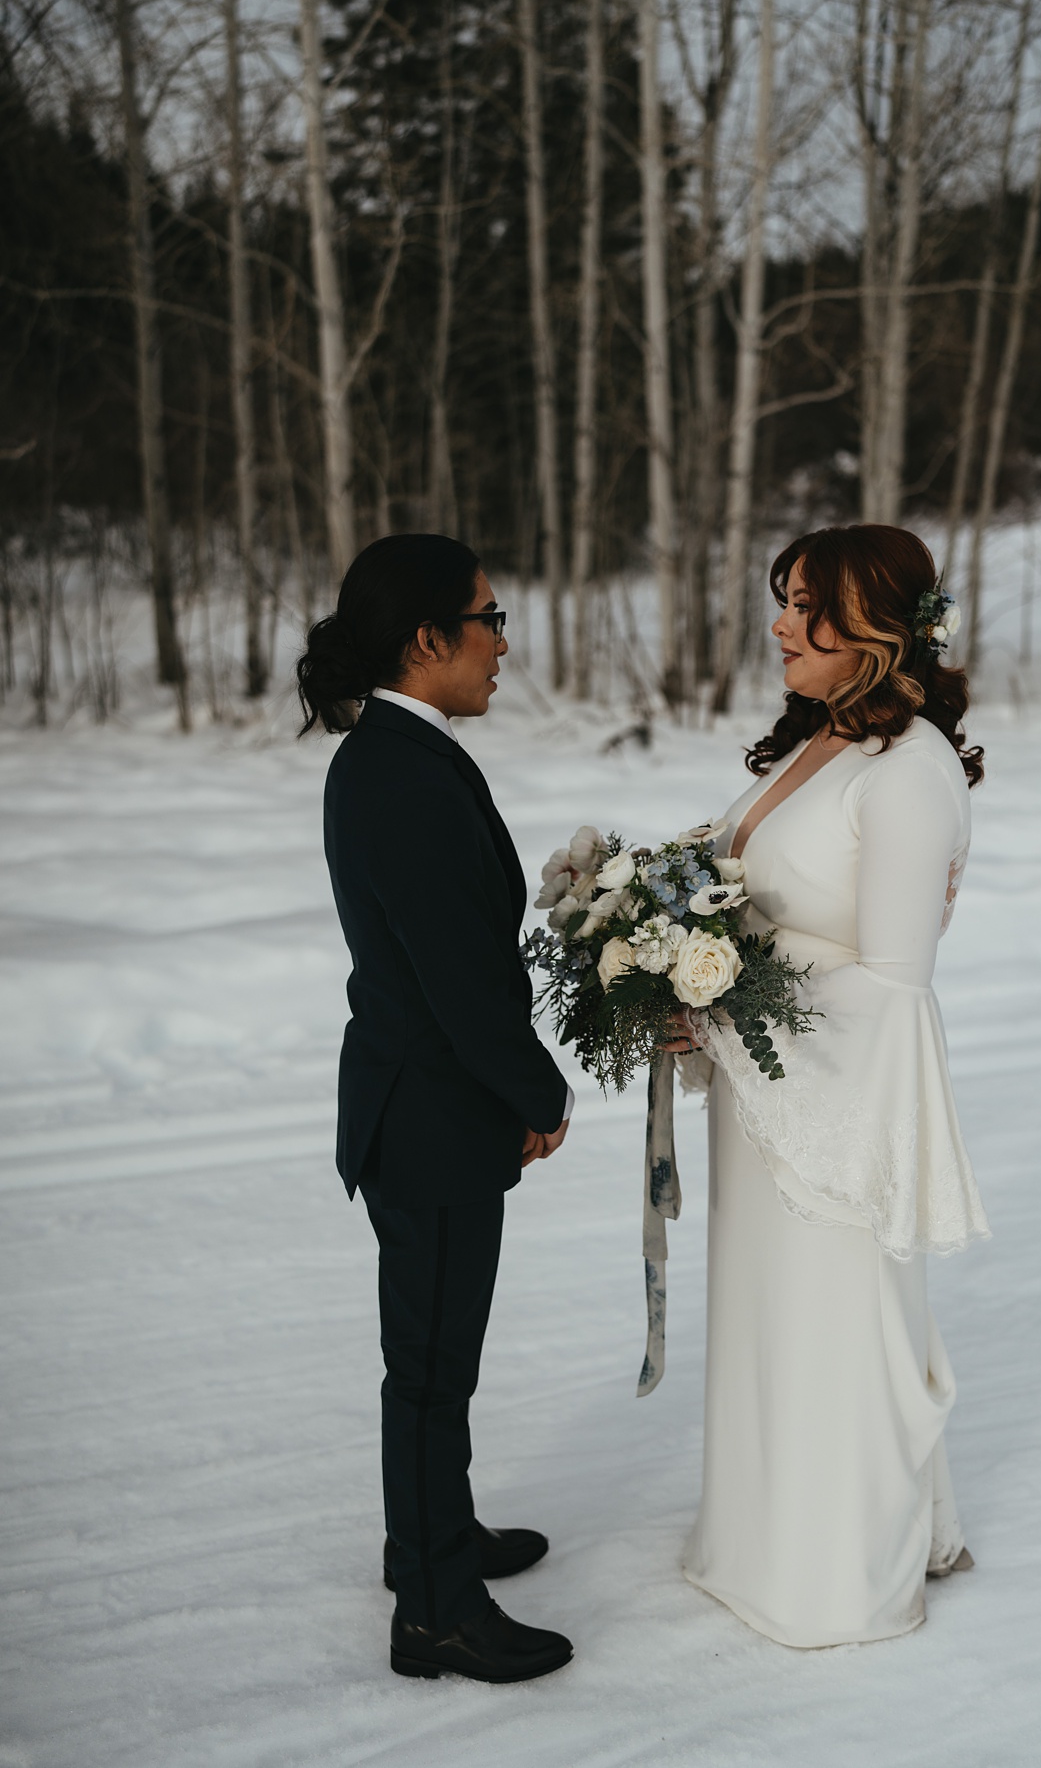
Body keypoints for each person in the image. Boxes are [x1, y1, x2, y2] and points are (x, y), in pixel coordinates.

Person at [672, 524, 990, 1648]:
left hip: (836, 1105)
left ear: (880, 627)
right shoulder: (816, 743)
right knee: (766, 1320)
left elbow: (896, 982)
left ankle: (835, 1575)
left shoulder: (910, 772)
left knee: (831, 1325)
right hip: (765, 1092)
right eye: (785, 601)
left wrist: (716, 993)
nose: (781, 626)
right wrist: (666, 949)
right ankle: (759, 1538)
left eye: (808, 607)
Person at [297, 534, 575, 1684]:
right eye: (489, 618)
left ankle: (435, 1537)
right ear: (427, 639)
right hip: (432, 1112)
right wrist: (537, 1088)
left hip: (423, 1101)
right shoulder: (399, 772)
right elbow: (459, 974)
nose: (504, 643)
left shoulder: (400, 753)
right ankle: (434, 1613)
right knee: (428, 1370)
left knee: (434, 1358)